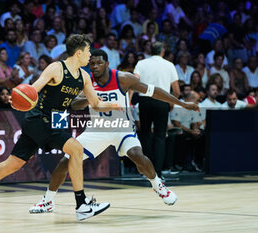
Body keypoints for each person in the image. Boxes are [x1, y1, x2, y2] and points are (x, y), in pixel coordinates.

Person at [0, 34, 120, 221]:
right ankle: (81, 204)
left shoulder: (84, 77)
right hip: (39, 118)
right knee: (76, 149)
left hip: (57, 119)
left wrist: (114, 105)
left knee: (12, 164)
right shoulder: (57, 68)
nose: (90, 55)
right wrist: (17, 98)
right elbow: (33, 89)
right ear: (79, 52)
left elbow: (96, 104)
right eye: (89, 51)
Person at [29, 49, 199, 213]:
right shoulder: (86, 80)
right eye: (92, 63)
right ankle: (48, 201)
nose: (95, 66)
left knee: (137, 155)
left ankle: (158, 185)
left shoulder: (123, 78)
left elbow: (154, 91)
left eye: (99, 63)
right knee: (65, 162)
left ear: (107, 64)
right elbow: (74, 104)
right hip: (96, 130)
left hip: (121, 128)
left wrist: (181, 103)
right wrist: (90, 99)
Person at [133, 41, 180, 179]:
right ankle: (157, 173)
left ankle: (147, 172)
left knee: (145, 134)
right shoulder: (169, 65)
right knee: (160, 136)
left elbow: (134, 82)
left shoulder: (141, 63)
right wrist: (171, 102)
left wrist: (130, 98)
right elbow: (176, 90)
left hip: (145, 101)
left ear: (150, 50)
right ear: (163, 52)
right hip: (162, 101)